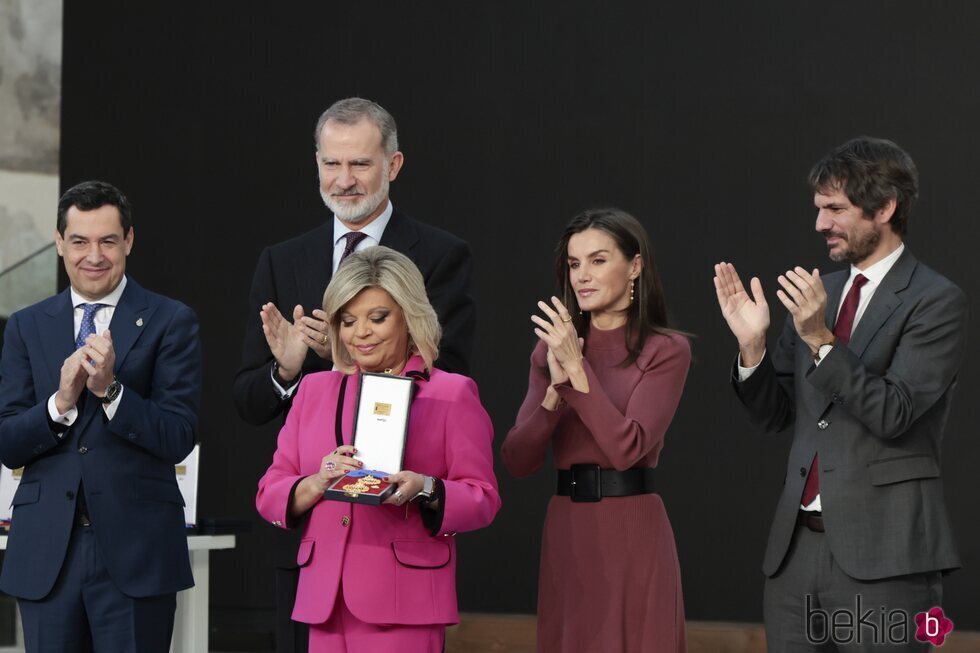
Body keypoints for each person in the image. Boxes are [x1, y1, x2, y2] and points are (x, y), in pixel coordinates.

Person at [233, 97, 476, 652]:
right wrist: (290, 369)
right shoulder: (281, 260)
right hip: (311, 545)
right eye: (331, 164)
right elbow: (248, 401)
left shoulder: (441, 254)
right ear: (316, 163)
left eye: (360, 164)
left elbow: (449, 377)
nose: (344, 180)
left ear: (393, 165)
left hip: (396, 544)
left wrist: (344, 360)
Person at [714, 137, 966, 651]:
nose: (820, 224)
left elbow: (894, 412)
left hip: (887, 559)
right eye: (818, 209)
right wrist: (753, 347)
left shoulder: (936, 301)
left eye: (835, 209)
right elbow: (774, 415)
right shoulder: (817, 295)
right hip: (794, 558)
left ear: (885, 207)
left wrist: (821, 341)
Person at [255, 246, 499, 652]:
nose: (360, 333)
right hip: (325, 602)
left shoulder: (450, 393)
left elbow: (483, 498)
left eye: (378, 318)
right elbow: (270, 491)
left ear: (409, 314)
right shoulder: (314, 390)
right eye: (348, 321)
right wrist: (316, 482)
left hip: (405, 602)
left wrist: (425, 487)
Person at [0, 181, 201, 652]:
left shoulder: (171, 320)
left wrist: (111, 391)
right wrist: (60, 405)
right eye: (79, 241)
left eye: (108, 241)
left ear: (128, 241)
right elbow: (8, 442)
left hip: (137, 554)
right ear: (58, 243)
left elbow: (178, 435)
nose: (94, 255)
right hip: (48, 554)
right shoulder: (26, 326)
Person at [502, 208, 690, 653]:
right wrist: (554, 392)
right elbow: (517, 459)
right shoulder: (549, 350)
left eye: (598, 260)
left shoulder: (665, 349)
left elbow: (627, 448)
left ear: (636, 266)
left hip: (632, 529)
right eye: (574, 264)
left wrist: (576, 370)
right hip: (567, 528)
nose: (582, 276)